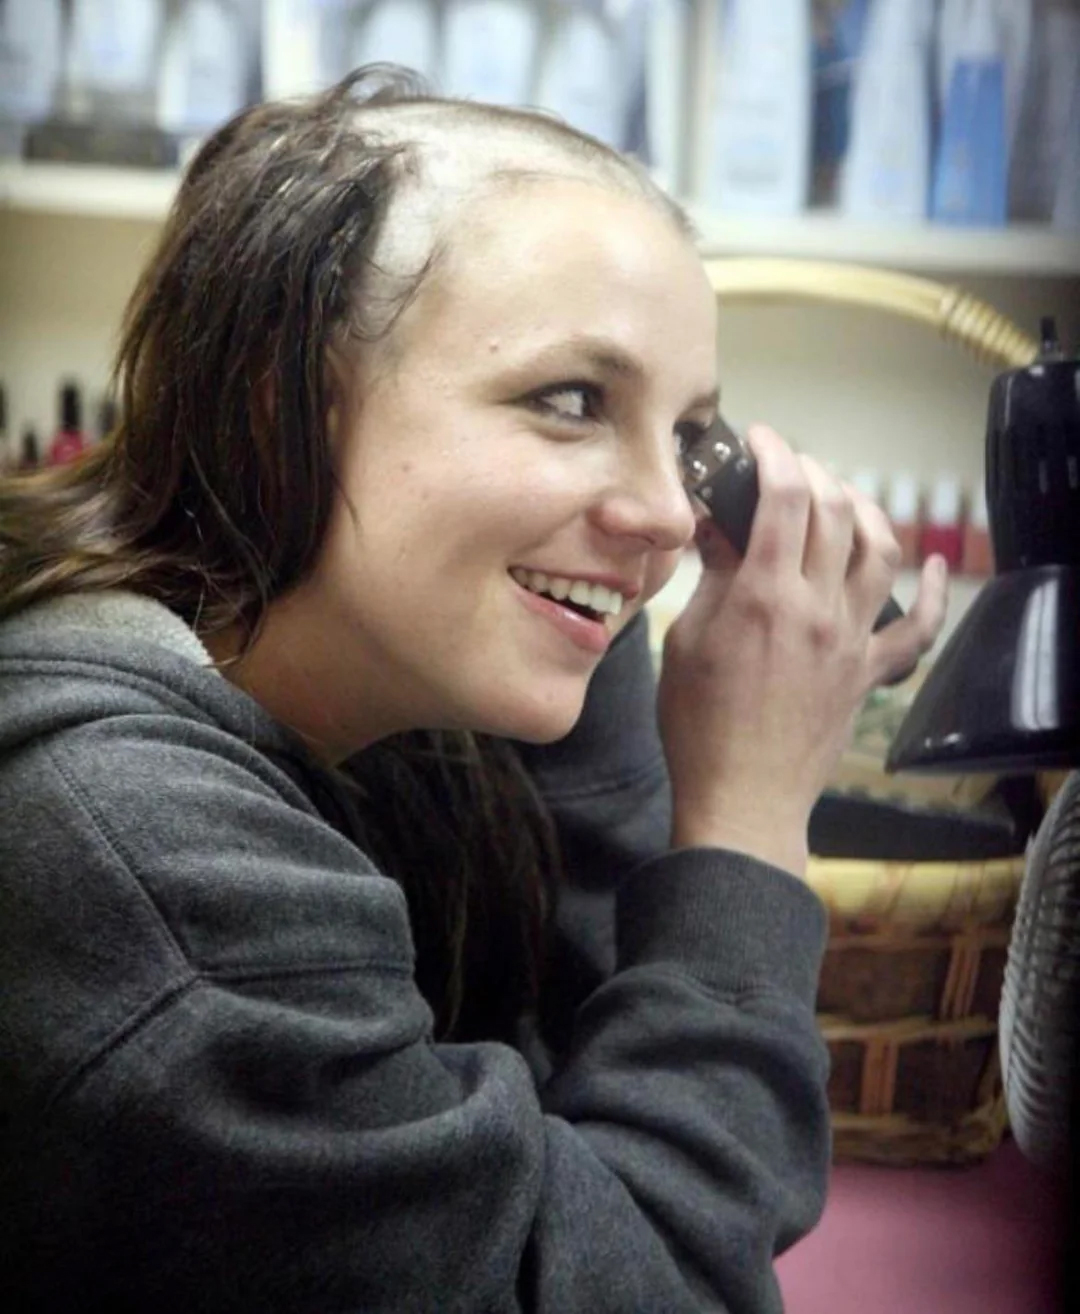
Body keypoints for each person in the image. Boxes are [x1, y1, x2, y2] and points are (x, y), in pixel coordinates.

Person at [0, 68, 947, 1312]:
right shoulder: (132, 848)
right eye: (570, 401)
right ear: (284, 403)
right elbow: (637, 1284)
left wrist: (592, 652)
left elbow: (588, 1084)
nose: (667, 515)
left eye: (686, 437)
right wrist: (751, 823)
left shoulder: (390, 679)